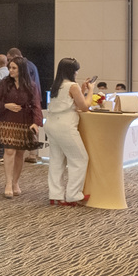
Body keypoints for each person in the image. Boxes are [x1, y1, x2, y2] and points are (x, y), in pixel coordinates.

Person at [45, 58, 95, 206]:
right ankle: (74, 194)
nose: (77, 73)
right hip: (65, 126)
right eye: (76, 70)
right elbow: (84, 106)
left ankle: (55, 194)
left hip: (51, 124)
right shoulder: (72, 86)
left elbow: (71, 101)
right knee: (80, 159)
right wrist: (91, 90)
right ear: (71, 71)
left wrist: (82, 89)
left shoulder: (57, 85)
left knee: (56, 160)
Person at [0, 57, 41, 198]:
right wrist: (6, 105)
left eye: (14, 68)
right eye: (10, 68)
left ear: (22, 69)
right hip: (7, 120)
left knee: (20, 152)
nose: (10, 70)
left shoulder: (31, 85)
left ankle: (15, 182)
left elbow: (36, 104)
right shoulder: (4, 83)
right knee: (9, 151)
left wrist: (36, 122)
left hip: (24, 121)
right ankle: (8, 183)